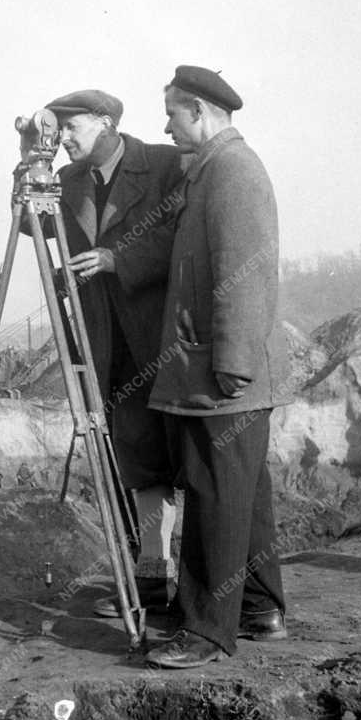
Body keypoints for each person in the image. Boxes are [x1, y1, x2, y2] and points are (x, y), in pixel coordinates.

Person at [144, 66, 292, 669]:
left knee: (213, 495)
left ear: (200, 111)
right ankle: (259, 608)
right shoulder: (214, 169)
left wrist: (231, 365)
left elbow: (245, 273)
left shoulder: (232, 171)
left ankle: (205, 632)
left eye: (173, 114)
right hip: (221, 370)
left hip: (223, 375)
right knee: (244, 495)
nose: (166, 125)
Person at [31, 89, 187, 611]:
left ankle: (199, 584)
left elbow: (184, 238)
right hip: (105, 343)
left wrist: (119, 259)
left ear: (105, 122)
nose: (64, 139)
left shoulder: (164, 166)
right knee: (136, 454)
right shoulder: (68, 182)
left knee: (185, 458)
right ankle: (150, 573)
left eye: (71, 128)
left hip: (161, 341)